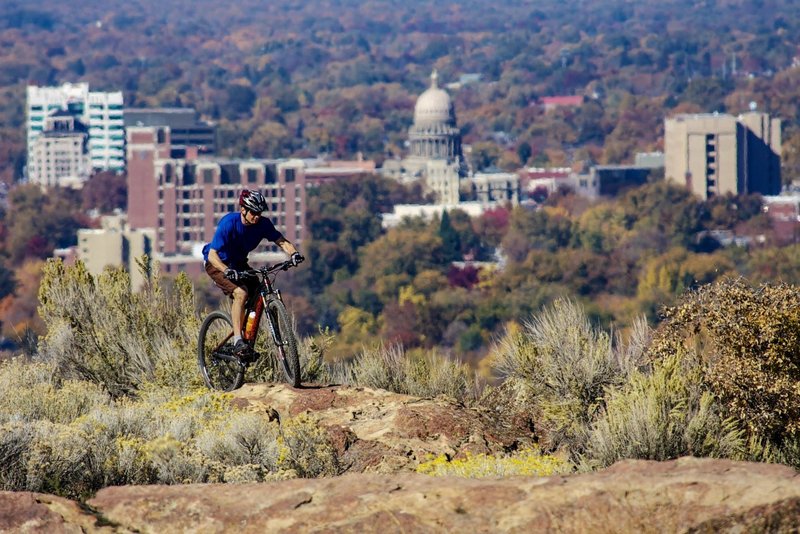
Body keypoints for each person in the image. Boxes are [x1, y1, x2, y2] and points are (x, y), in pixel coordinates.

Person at [202, 189, 304, 356]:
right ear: (243, 209)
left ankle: (248, 337)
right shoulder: (228, 223)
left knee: (258, 294)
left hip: (239, 263)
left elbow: (282, 241)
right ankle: (237, 341)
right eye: (254, 212)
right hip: (218, 264)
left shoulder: (263, 224)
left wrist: (294, 254)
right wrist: (227, 271)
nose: (257, 216)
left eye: (260, 212)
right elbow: (212, 256)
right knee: (240, 292)